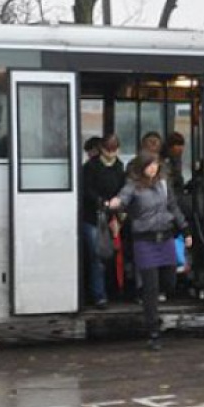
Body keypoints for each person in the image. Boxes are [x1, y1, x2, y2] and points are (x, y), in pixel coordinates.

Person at [109, 151, 192, 351]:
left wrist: (185, 229)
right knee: (151, 288)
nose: (153, 168)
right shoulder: (133, 186)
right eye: (149, 165)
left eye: (155, 164)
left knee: (170, 282)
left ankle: (154, 319)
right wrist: (115, 204)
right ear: (141, 167)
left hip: (165, 238)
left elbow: (173, 207)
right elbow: (122, 198)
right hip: (144, 241)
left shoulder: (164, 184)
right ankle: (153, 332)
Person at [81, 135, 126, 309]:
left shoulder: (119, 166)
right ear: (102, 149)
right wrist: (102, 202)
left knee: (110, 256)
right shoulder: (90, 167)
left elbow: (122, 190)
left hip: (111, 217)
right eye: (109, 150)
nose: (112, 154)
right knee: (97, 256)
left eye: (114, 150)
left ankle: (111, 291)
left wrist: (117, 211)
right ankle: (99, 295)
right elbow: (87, 191)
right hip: (93, 217)